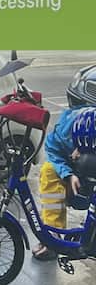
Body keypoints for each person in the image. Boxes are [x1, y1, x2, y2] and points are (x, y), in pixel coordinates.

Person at [34, 107, 96, 260]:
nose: (77, 153)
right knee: (49, 171)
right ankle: (52, 235)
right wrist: (68, 174)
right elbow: (52, 150)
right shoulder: (66, 128)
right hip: (73, 174)